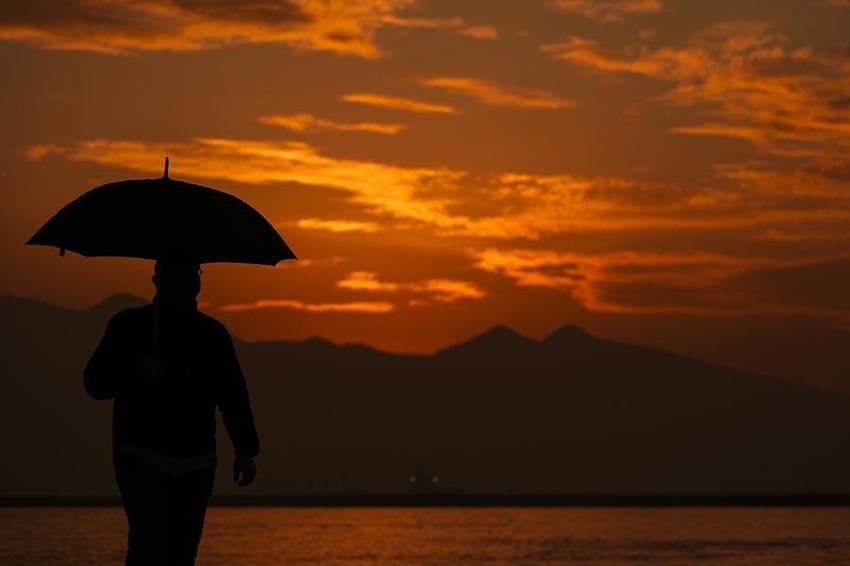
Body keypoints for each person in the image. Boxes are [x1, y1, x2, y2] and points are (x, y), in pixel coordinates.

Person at [83, 251, 260, 565]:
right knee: (146, 546)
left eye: (193, 275)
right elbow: (95, 384)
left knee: (182, 552)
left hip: (195, 460)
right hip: (140, 456)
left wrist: (245, 449)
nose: (186, 282)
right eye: (177, 275)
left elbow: (232, 394)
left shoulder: (212, 334)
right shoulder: (129, 326)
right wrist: (135, 371)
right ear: (157, 278)